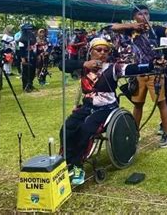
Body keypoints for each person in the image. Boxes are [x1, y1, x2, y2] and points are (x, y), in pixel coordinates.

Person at [60, 37, 155, 185]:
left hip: (107, 109)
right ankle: (67, 160)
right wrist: (85, 64)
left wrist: (151, 65)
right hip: (87, 107)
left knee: (86, 129)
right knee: (67, 127)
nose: (103, 53)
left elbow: (132, 68)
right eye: (98, 50)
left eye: (106, 50)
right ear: (91, 51)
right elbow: (62, 65)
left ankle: (78, 166)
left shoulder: (113, 67)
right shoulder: (84, 66)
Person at [112, 5, 167, 148]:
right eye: (140, 14)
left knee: (161, 103)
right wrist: (133, 25)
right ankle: (135, 134)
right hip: (139, 72)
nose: (144, 16)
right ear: (135, 17)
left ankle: (166, 134)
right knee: (137, 104)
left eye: (146, 13)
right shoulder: (132, 31)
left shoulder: (155, 29)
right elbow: (114, 27)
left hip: (155, 72)